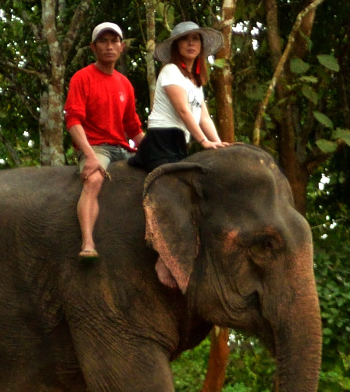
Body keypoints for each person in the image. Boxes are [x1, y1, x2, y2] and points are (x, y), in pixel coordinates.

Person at [63, 22, 141, 259]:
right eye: (103, 42)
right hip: (97, 147)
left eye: (114, 41)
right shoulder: (82, 77)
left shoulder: (124, 83)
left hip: (122, 148)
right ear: (93, 47)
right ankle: (88, 243)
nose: (109, 46)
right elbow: (73, 120)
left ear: (122, 47)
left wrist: (154, 150)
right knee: (94, 179)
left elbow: (133, 127)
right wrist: (88, 155)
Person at [131, 20, 228, 172]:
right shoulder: (171, 70)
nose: (191, 43)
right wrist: (203, 141)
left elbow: (204, 118)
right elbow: (183, 110)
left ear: (201, 45)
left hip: (180, 140)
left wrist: (219, 145)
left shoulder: (195, 81)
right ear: (176, 45)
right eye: (185, 39)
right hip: (161, 139)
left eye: (195, 38)